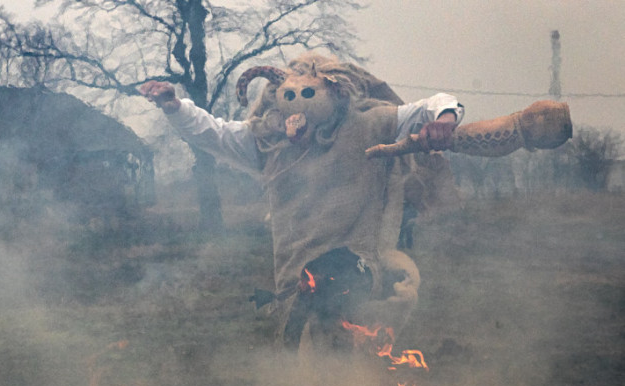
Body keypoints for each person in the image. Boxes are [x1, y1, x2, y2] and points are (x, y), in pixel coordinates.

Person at [140, 52, 464, 351]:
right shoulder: (270, 142)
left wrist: (445, 119)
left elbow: (433, 105)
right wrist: (175, 107)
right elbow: (214, 133)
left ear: (336, 96)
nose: (300, 105)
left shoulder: (369, 126)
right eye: (291, 97)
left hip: (355, 266)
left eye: (310, 94)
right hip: (293, 276)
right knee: (300, 353)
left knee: (347, 343)